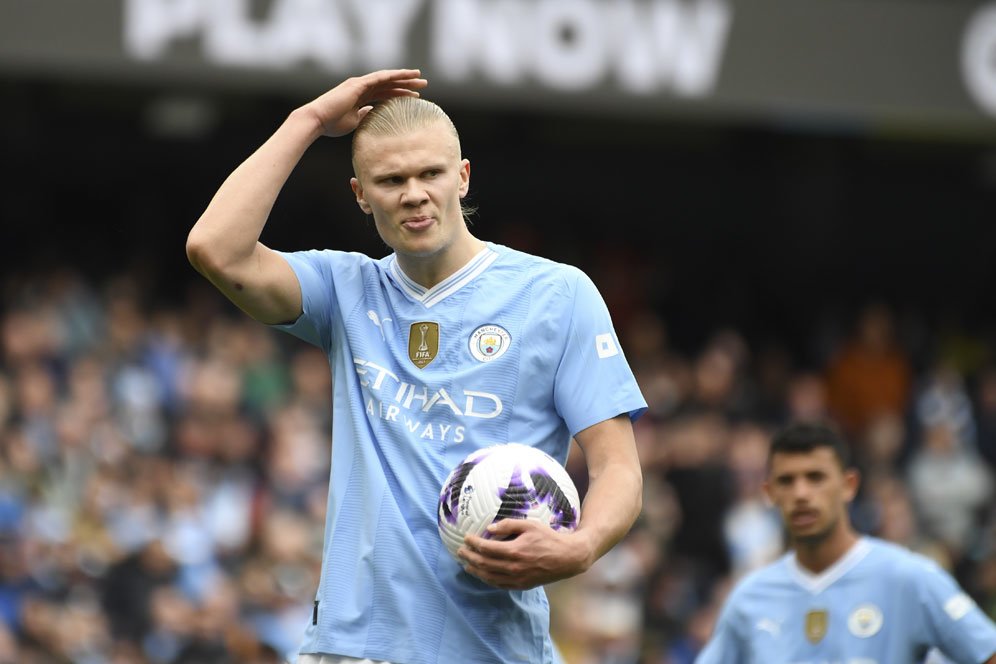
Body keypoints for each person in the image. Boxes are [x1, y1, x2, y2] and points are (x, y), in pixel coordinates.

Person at [185, 69, 647, 664]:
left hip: (491, 649)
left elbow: (620, 470)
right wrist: (310, 121)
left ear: (462, 177)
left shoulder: (556, 294)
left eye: (430, 173)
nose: (413, 193)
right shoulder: (344, 289)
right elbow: (213, 249)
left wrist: (580, 547)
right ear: (360, 194)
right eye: (391, 179)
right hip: (351, 650)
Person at [695, 421, 996, 664]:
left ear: (849, 485)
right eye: (786, 481)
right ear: (770, 493)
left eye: (815, 478)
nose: (801, 493)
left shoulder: (910, 579)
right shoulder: (750, 597)